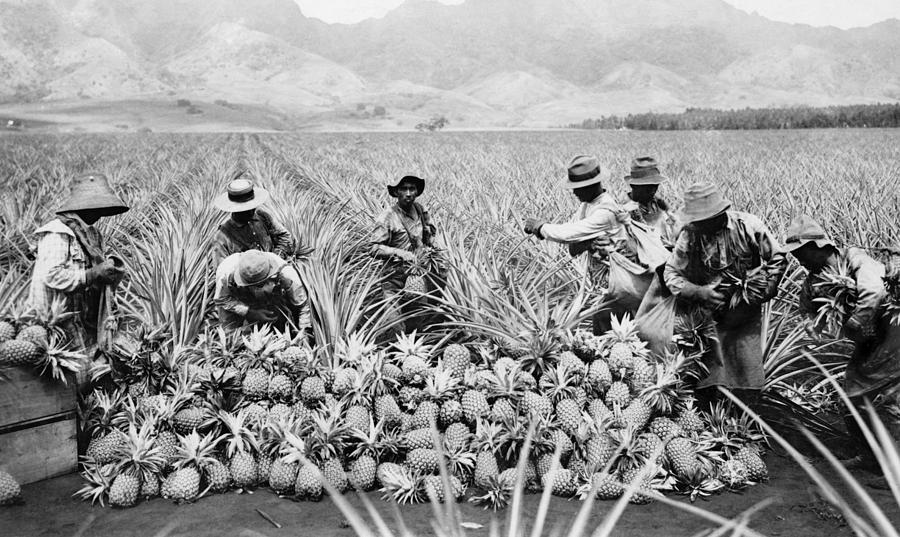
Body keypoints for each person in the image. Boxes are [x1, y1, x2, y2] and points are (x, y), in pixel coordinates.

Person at [784, 215, 900, 481]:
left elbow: (874, 291)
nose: (798, 259)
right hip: (868, 345)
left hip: (892, 340)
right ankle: (870, 457)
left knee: (890, 404)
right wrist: (810, 324)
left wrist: (855, 322)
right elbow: (805, 308)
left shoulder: (855, 259)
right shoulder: (814, 279)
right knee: (852, 396)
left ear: (819, 246)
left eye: (802, 252)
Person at [663, 183, 786, 405]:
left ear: (720, 212)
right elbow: (671, 273)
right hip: (707, 314)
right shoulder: (690, 234)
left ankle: (746, 422)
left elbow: (777, 258)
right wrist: (699, 292)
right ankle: (711, 420)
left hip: (743, 315)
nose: (703, 223)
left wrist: (764, 289)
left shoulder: (748, 225)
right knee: (705, 376)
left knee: (746, 372)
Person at [523, 155, 637, 334]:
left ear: (590, 186)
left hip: (617, 285)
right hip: (601, 285)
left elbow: (569, 234)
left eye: (577, 188)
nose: (574, 192)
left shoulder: (605, 211)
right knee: (603, 329)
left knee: (611, 331)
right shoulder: (587, 206)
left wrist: (540, 227)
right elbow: (572, 239)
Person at [27, 173, 129, 352]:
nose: (101, 214)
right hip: (52, 322)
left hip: (80, 315)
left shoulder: (93, 234)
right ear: (84, 206)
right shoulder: (58, 233)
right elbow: (52, 276)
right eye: (98, 208)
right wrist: (94, 273)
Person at [369, 175, 437, 335]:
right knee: (395, 326)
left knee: (417, 323)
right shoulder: (388, 217)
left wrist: (427, 245)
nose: (408, 193)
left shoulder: (421, 210)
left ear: (417, 192)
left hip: (416, 277)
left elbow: (430, 236)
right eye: (403, 189)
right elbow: (373, 248)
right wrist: (400, 253)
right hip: (393, 279)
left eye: (412, 189)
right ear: (396, 192)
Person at [214, 249, 310, 334]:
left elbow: (302, 304)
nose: (256, 287)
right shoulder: (226, 274)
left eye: (260, 284)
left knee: (277, 319)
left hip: (270, 291)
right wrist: (249, 311)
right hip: (236, 294)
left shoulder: (286, 273)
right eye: (253, 285)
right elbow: (222, 299)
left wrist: (304, 331)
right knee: (229, 333)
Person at [213, 174, 294, 263]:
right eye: (245, 209)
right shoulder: (223, 235)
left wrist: (274, 258)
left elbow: (285, 236)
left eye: (252, 206)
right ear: (234, 209)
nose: (251, 211)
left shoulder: (263, 217)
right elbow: (222, 269)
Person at [623, 156, 680, 247]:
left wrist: (668, 210)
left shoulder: (656, 202)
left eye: (656, 186)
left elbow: (674, 225)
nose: (653, 191)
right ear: (633, 185)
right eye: (648, 188)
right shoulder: (625, 211)